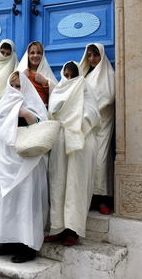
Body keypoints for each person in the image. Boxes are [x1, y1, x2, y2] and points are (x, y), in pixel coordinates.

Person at [0, 71, 49, 263]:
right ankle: (7, 241)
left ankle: (26, 247)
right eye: (12, 86)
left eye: (19, 86)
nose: (15, 90)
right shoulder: (4, 104)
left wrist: (25, 113)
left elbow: (42, 126)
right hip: (6, 159)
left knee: (25, 202)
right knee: (6, 202)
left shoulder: (33, 103)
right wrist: (11, 110)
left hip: (26, 162)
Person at [45, 61, 101, 246]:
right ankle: (57, 228)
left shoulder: (84, 88)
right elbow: (52, 114)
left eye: (72, 75)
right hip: (61, 143)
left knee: (75, 186)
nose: (69, 79)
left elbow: (92, 113)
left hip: (80, 142)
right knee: (59, 185)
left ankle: (73, 231)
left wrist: (76, 123)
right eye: (66, 75)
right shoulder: (58, 90)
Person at [79, 43, 115, 215]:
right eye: (89, 56)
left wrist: (90, 111)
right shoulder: (85, 74)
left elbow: (108, 96)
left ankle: (103, 199)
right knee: (87, 160)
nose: (92, 59)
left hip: (102, 124)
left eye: (95, 55)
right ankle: (89, 198)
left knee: (100, 160)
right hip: (85, 125)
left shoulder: (108, 74)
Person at [17, 41, 57, 106]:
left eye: (38, 53)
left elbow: (57, 94)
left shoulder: (47, 73)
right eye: (32, 53)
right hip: (24, 111)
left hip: (42, 112)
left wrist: (45, 83)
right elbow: (12, 92)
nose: (35, 55)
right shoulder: (21, 72)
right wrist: (21, 78)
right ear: (28, 55)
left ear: (42, 55)